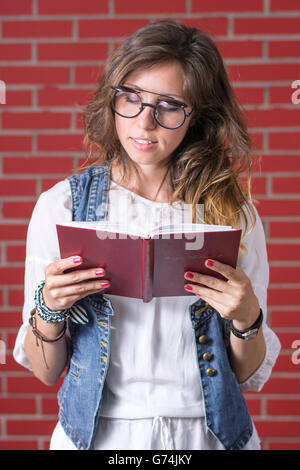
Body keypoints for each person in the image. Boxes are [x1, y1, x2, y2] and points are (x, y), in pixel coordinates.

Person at [13, 20, 281, 450]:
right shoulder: (61, 207)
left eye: (169, 105)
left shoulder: (232, 214)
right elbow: (47, 373)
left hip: (207, 436)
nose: (145, 122)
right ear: (112, 98)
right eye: (131, 99)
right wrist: (50, 307)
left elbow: (245, 373)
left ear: (199, 116)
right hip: (99, 437)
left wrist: (247, 316)